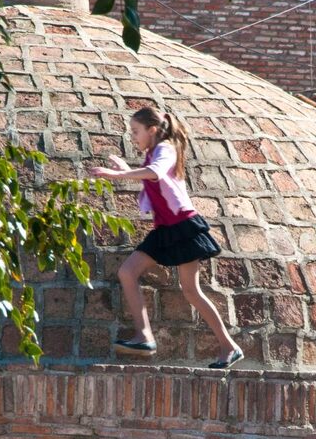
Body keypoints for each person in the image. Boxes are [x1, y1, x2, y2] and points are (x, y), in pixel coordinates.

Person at [90, 107, 243, 369]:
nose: (133, 137)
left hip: (183, 226)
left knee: (191, 291)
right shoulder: (153, 152)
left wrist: (118, 174)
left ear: (152, 130)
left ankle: (229, 347)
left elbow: (156, 172)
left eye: (135, 131)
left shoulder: (166, 148)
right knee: (128, 272)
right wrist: (127, 169)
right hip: (165, 228)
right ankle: (144, 337)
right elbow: (152, 179)